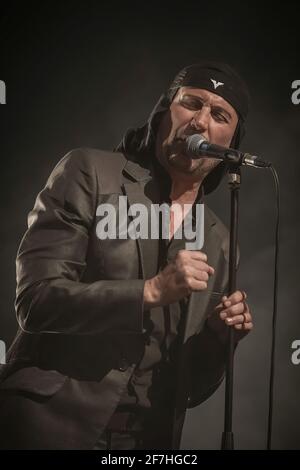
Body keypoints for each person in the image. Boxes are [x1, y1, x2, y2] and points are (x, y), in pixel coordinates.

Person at [0, 61, 253, 450]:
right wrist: (149, 291)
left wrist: (220, 342)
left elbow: (189, 390)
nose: (201, 122)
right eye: (192, 103)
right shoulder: (90, 172)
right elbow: (35, 302)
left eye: (219, 114)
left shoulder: (219, 241)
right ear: (165, 110)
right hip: (50, 426)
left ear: (231, 144)